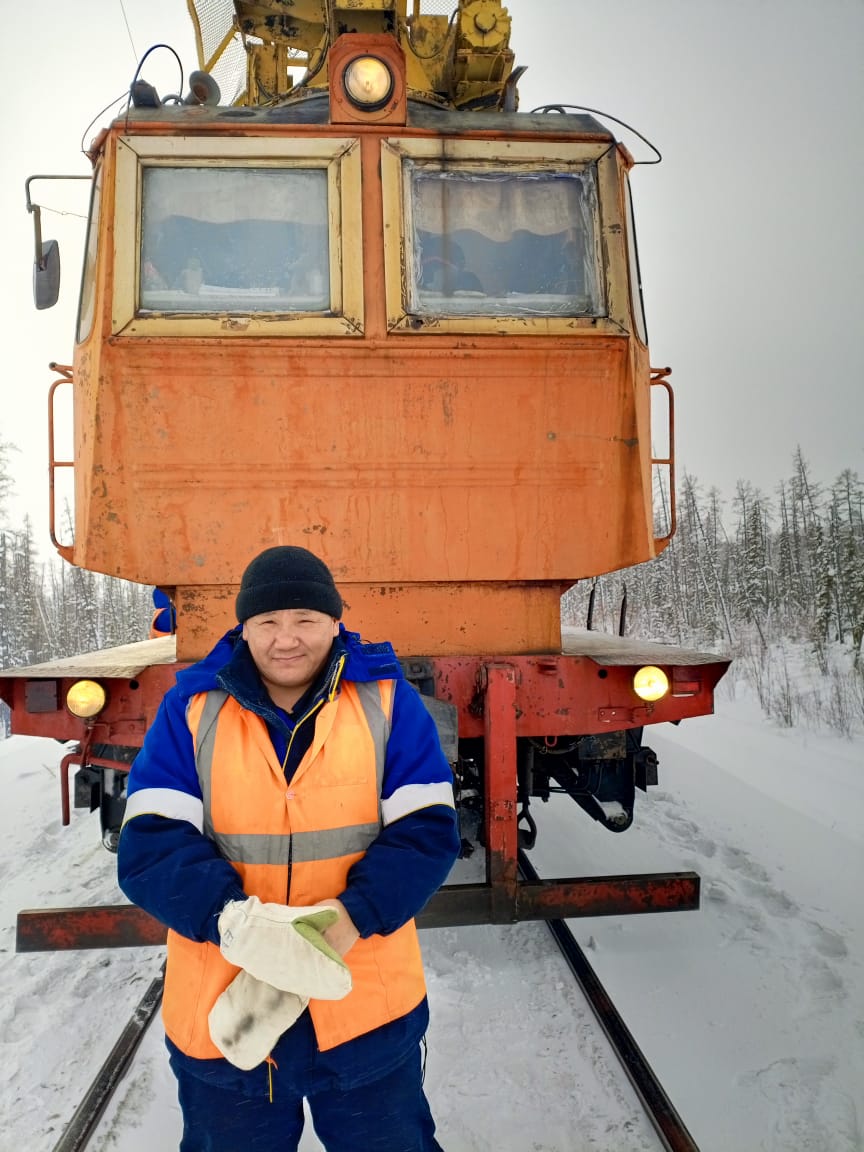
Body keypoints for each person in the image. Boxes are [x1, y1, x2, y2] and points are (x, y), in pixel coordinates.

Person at [118, 545, 461, 1152]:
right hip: (231, 1018)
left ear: (335, 620)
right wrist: (233, 921)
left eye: (305, 619)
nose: (286, 639)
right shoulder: (191, 708)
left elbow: (427, 830)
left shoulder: (387, 701)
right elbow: (150, 844)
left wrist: (353, 917)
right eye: (268, 621)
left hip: (364, 1012)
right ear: (244, 628)